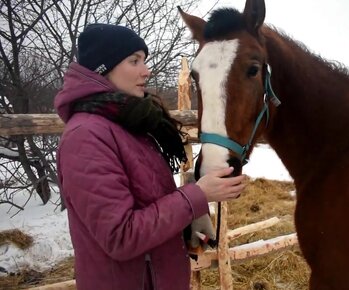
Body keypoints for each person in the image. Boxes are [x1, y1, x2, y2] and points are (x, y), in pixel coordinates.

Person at [54, 23, 245, 290]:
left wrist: (190, 215)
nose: (147, 70)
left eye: (145, 60)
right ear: (103, 68)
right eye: (134, 61)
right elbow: (121, 236)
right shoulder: (86, 137)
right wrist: (196, 196)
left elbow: (149, 202)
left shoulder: (126, 124)